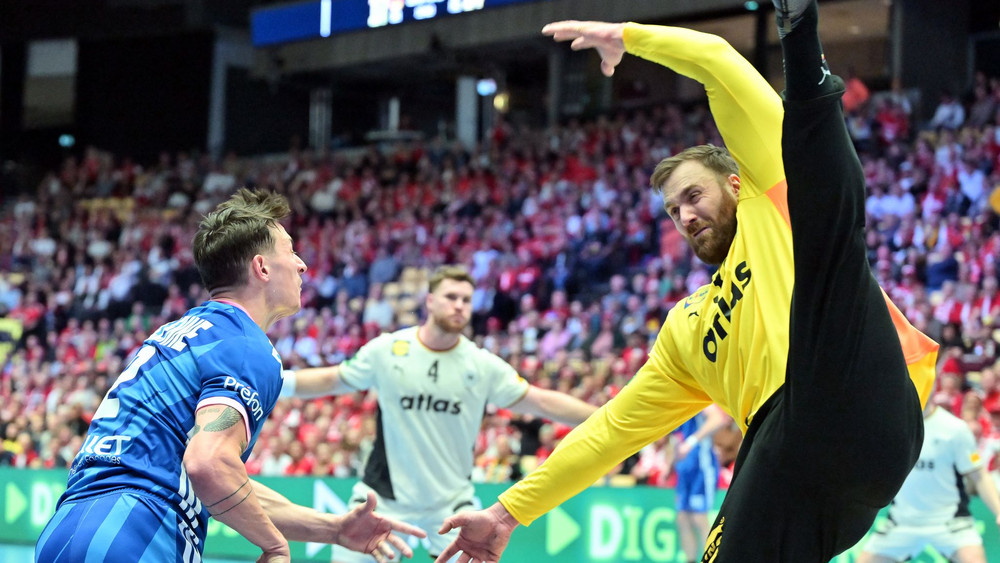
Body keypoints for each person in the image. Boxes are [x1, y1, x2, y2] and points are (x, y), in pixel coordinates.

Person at [433, 1, 939, 561]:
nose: (686, 216)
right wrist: (508, 512)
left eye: (694, 196)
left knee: (823, 203)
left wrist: (627, 36)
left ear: (734, 183)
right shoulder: (684, 332)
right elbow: (611, 432)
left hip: (866, 395)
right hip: (802, 461)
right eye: (674, 211)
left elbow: (718, 61)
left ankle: (800, 34)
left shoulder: (764, 205)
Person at [36, 188, 424, 563]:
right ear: (262, 267)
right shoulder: (245, 346)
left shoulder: (179, 332)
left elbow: (219, 479)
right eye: (290, 250)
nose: (302, 264)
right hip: (139, 532)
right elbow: (208, 463)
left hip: (67, 528)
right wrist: (274, 546)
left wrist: (333, 529)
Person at [281, 264, 598, 562]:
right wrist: (278, 382)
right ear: (430, 301)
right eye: (451, 297)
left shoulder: (481, 365)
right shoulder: (388, 349)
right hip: (381, 497)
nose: (459, 305)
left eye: (466, 300)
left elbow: (540, 401)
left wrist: (611, 419)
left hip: (452, 505)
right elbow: (332, 379)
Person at [856, 400, 1000, 563]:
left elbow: (979, 475)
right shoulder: (890, 425)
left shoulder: (955, 429)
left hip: (951, 523)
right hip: (900, 523)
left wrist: (998, 511)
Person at [673, 405, 731, 563]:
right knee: (682, 518)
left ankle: (714, 560)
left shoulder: (698, 396)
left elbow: (718, 419)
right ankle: (690, 560)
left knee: (699, 517)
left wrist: (691, 442)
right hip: (684, 469)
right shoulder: (675, 400)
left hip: (701, 467)